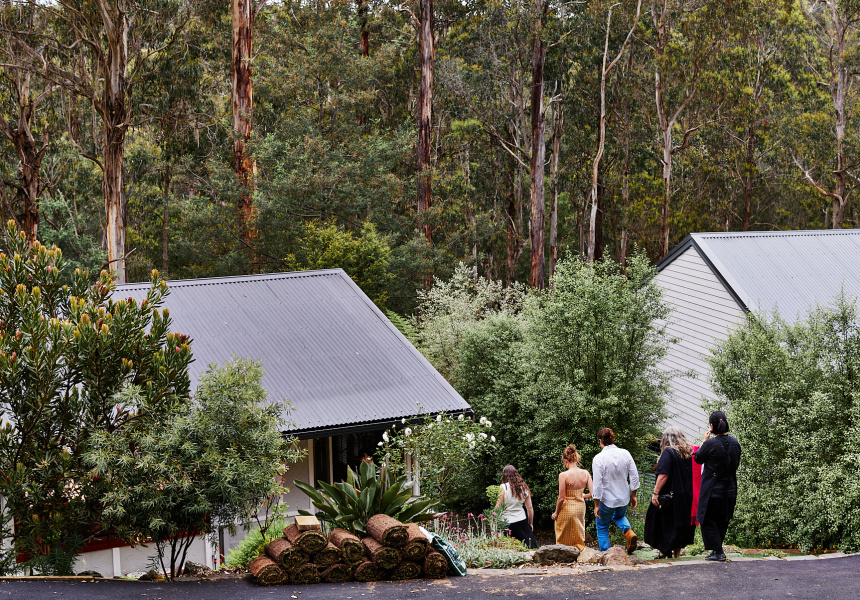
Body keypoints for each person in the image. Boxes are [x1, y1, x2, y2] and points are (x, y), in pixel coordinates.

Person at [693, 410, 742, 561]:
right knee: (723, 519)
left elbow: (698, 459)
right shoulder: (735, 443)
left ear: (711, 426)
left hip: (712, 489)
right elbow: (736, 464)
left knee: (707, 519)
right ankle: (716, 550)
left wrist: (704, 441)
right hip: (730, 489)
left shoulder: (710, 443)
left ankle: (719, 551)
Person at [644, 426, 696, 558]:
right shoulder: (688, 453)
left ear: (666, 438)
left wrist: (655, 493)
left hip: (669, 496)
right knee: (680, 524)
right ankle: (677, 553)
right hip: (686, 495)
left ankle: (663, 552)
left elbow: (663, 475)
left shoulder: (668, 452)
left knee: (663, 522)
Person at [591, 427, 640, 553]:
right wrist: (633, 494)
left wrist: (596, 504)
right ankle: (629, 533)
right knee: (619, 516)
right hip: (623, 497)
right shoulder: (625, 453)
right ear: (613, 438)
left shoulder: (598, 458)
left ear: (600, 440)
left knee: (602, 527)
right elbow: (634, 476)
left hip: (606, 500)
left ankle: (607, 555)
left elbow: (597, 484)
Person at [551, 444, 592, 550]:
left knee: (563, 532)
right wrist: (583, 495)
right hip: (580, 508)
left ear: (566, 461)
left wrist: (556, 512)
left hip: (567, 508)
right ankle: (579, 551)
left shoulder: (563, 475)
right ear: (576, 459)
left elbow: (561, 498)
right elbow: (592, 494)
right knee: (578, 531)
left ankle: (563, 551)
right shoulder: (586, 473)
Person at [494, 465, 537, 549]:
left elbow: (498, 506)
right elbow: (530, 508)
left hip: (506, 521)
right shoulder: (523, 487)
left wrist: (493, 521)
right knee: (528, 547)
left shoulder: (503, 487)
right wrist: (530, 523)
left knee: (507, 548)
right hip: (521, 520)